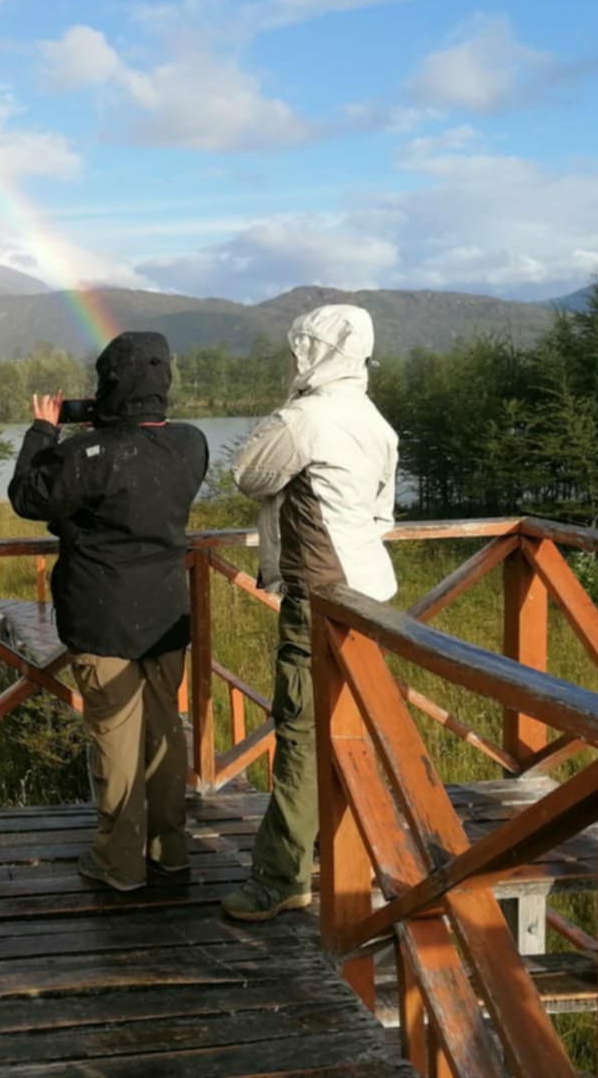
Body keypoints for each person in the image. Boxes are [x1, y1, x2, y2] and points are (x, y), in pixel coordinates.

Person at [8, 331, 209, 892]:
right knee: (166, 733)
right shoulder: (192, 445)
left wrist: (44, 430)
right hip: (167, 616)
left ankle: (120, 861)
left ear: (108, 383)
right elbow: (135, 482)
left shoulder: (88, 455)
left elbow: (28, 496)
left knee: (116, 740)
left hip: (103, 619)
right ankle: (170, 852)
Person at [222, 304, 398, 922]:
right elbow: (382, 516)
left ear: (310, 353)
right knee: (351, 726)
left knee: (301, 733)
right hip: (372, 594)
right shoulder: (376, 422)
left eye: (298, 350)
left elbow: (247, 475)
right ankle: (344, 846)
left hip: (320, 597)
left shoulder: (304, 419)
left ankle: (280, 876)